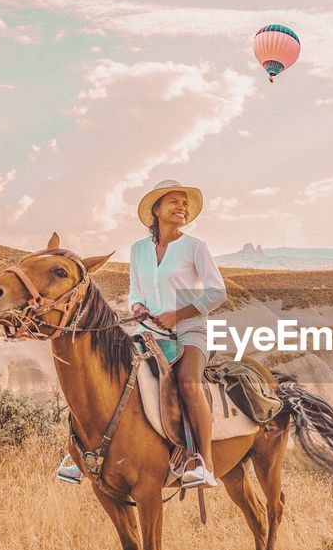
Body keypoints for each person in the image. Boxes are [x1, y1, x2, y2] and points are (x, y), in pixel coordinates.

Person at [56, 178, 227, 489]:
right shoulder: (139, 250)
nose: (182, 207)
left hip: (190, 331)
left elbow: (217, 293)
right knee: (100, 374)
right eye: (174, 202)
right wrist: (137, 308)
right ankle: (78, 454)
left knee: (188, 382)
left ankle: (204, 463)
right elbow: (136, 291)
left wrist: (178, 314)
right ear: (156, 209)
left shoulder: (195, 247)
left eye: (185, 203)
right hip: (146, 330)